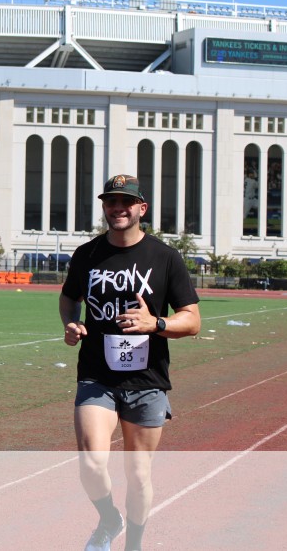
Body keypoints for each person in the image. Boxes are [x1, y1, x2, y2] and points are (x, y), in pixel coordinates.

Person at [59, 174, 200, 551]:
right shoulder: (87, 254)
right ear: (104, 207)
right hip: (96, 376)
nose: (118, 208)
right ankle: (109, 519)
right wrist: (71, 323)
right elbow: (69, 297)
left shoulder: (165, 257)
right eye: (111, 202)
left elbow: (192, 320)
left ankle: (133, 544)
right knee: (91, 463)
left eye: (126, 202)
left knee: (138, 476)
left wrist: (156, 324)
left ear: (142, 208)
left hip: (147, 381)